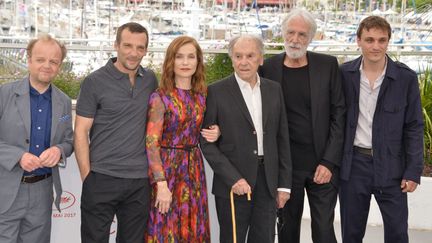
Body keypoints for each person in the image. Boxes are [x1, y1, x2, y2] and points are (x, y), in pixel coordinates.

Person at [259, 9, 346, 243]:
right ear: (282, 33)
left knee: (324, 231)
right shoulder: (268, 68)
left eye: (302, 34)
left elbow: (340, 115)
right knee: (287, 231)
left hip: (322, 165)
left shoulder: (327, 65)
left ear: (310, 38)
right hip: (286, 168)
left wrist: (328, 162)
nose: (295, 39)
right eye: (290, 33)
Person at [339, 16, 424, 243]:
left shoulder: (405, 78)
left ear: (388, 42)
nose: (375, 46)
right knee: (351, 233)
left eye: (381, 40)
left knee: (397, 233)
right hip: (354, 166)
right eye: (369, 40)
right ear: (358, 41)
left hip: (392, 167)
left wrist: (413, 170)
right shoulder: (344, 75)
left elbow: (414, 126)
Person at [200, 35, 292, 243]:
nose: (243, 62)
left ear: (261, 58)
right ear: (232, 58)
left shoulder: (273, 89)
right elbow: (207, 142)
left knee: (265, 238)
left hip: (268, 182)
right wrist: (233, 178)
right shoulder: (216, 91)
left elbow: (282, 138)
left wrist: (283, 185)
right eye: (238, 56)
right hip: (232, 184)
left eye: (250, 56)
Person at [74, 22, 158, 243]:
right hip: (102, 178)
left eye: (140, 48)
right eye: (128, 45)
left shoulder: (150, 80)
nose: (134, 53)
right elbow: (81, 131)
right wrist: (87, 178)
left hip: (139, 181)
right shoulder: (94, 81)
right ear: (116, 45)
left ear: (146, 50)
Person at [145, 36, 220, 242]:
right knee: (165, 228)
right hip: (167, 171)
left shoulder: (204, 95)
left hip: (194, 170)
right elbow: (151, 144)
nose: (185, 63)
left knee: (194, 228)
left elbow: (210, 127)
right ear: (171, 61)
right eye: (179, 57)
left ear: (198, 61)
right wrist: (160, 184)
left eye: (191, 57)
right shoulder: (160, 97)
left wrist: (217, 131)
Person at [0, 34, 73, 242]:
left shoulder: (64, 101)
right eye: (41, 60)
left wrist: (59, 149)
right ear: (29, 60)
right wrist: (18, 156)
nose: (47, 66)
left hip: (43, 191)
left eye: (54, 61)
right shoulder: (4, 94)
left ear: (59, 66)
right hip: (6, 189)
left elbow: (69, 141)